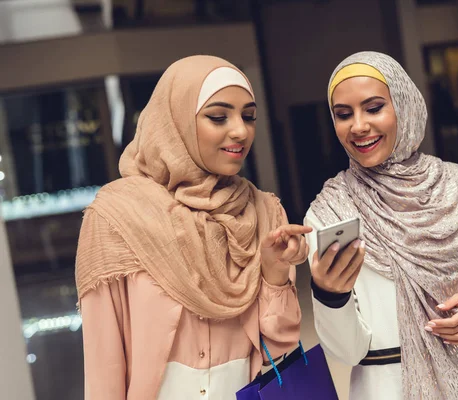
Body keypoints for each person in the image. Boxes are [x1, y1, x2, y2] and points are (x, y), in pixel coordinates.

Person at [75, 55, 310, 399]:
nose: (240, 131)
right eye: (218, 117)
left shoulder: (264, 211)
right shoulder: (115, 218)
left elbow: (279, 349)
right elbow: (103, 368)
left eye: (249, 116)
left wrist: (275, 272)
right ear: (176, 122)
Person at [305, 51, 458, 399]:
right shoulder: (331, 211)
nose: (358, 126)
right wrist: (330, 296)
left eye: (373, 108)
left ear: (405, 106)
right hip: (387, 388)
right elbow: (346, 353)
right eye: (343, 114)